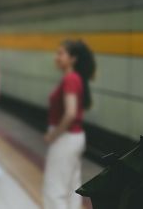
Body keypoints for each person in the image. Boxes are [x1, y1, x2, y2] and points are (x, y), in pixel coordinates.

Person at [43, 40, 96, 209]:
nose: (56, 57)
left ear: (73, 59)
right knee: (71, 190)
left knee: (54, 191)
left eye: (61, 54)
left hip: (65, 138)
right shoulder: (75, 78)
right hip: (74, 137)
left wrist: (53, 135)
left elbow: (70, 112)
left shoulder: (70, 79)